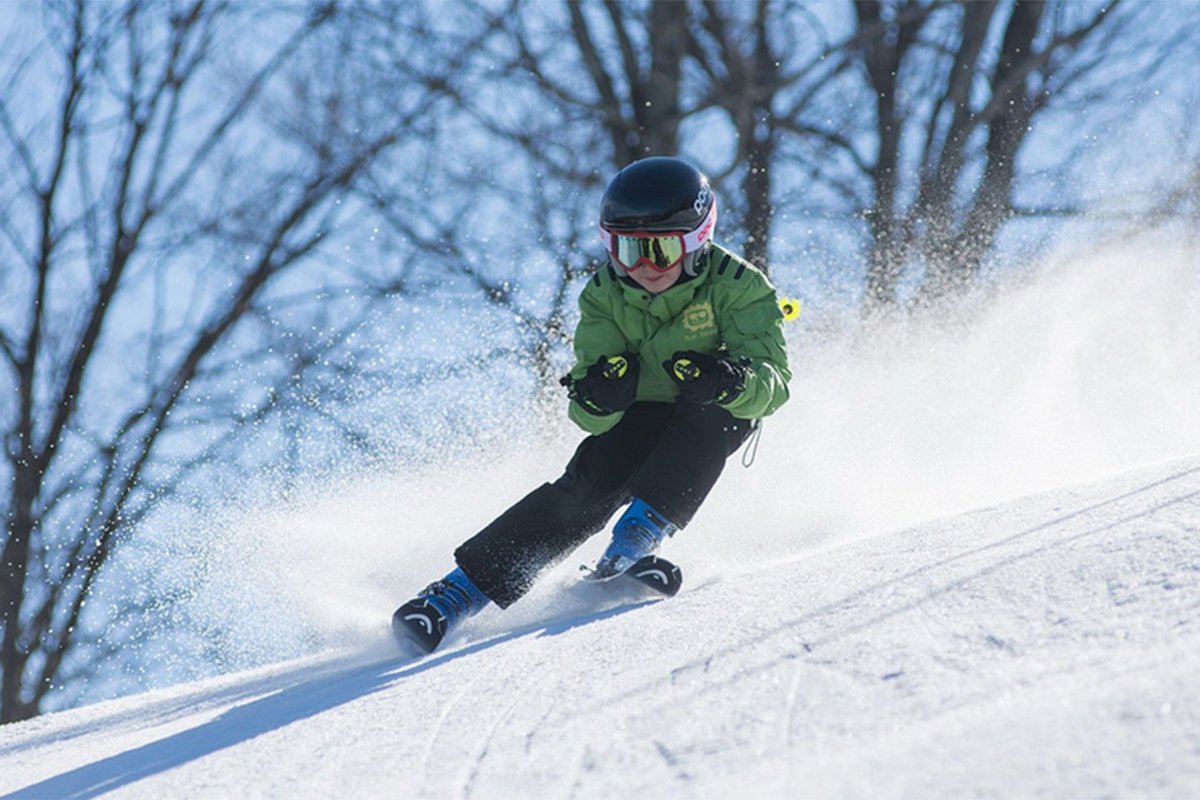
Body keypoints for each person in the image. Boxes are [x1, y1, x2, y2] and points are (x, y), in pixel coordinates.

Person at [392, 156, 792, 654]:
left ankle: (633, 543)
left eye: (661, 250)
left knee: (715, 420)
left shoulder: (739, 285)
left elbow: (775, 382)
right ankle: (456, 595)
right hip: (640, 412)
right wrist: (599, 396)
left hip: (710, 407)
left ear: (697, 241)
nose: (643, 267)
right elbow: (587, 414)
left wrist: (730, 380)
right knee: (590, 483)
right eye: (627, 250)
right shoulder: (604, 294)